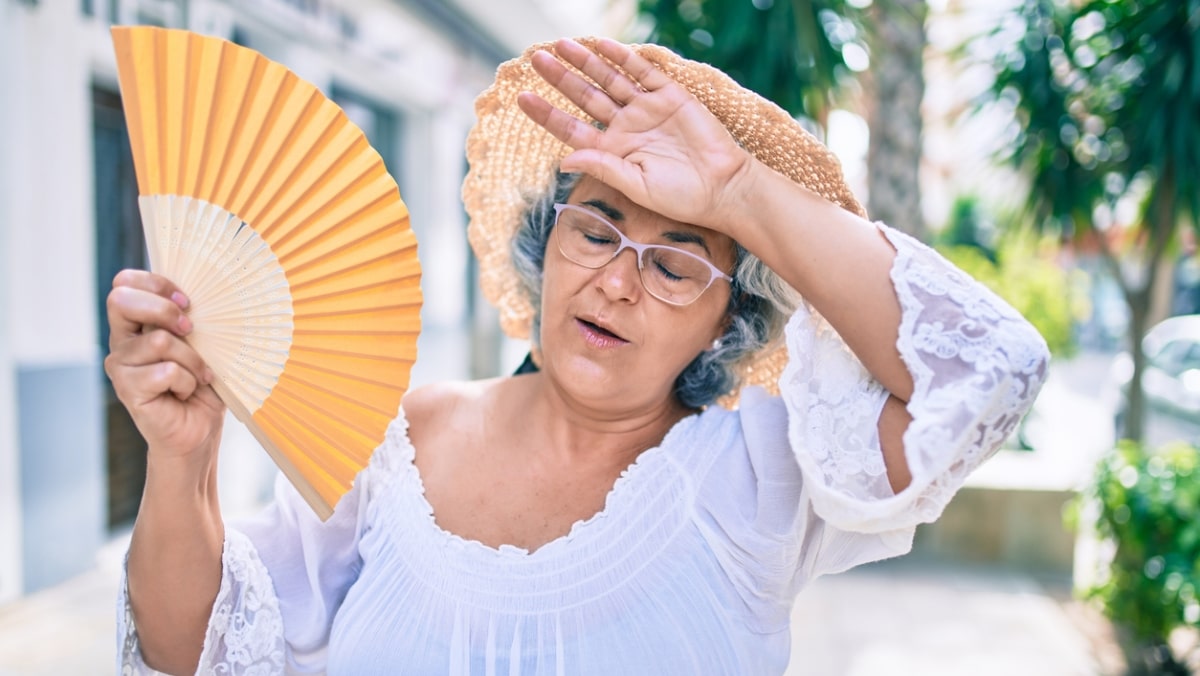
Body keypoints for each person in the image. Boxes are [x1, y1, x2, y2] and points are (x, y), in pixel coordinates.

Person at [107, 37, 1049, 674]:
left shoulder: (761, 477)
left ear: (729, 319)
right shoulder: (393, 443)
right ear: (543, 244)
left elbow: (991, 369)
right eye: (597, 229)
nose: (618, 283)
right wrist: (181, 458)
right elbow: (196, 650)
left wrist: (737, 192)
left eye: (678, 261)